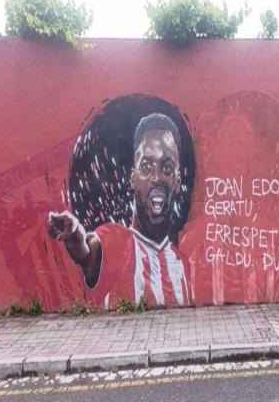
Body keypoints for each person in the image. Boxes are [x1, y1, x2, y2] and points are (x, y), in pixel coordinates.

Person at [47, 113, 192, 308]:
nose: (156, 177)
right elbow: (88, 251)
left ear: (177, 181)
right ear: (133, 178)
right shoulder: (116, 241)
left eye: (166, 168)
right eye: (146, 166)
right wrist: (74, 236)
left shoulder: (182, 265)